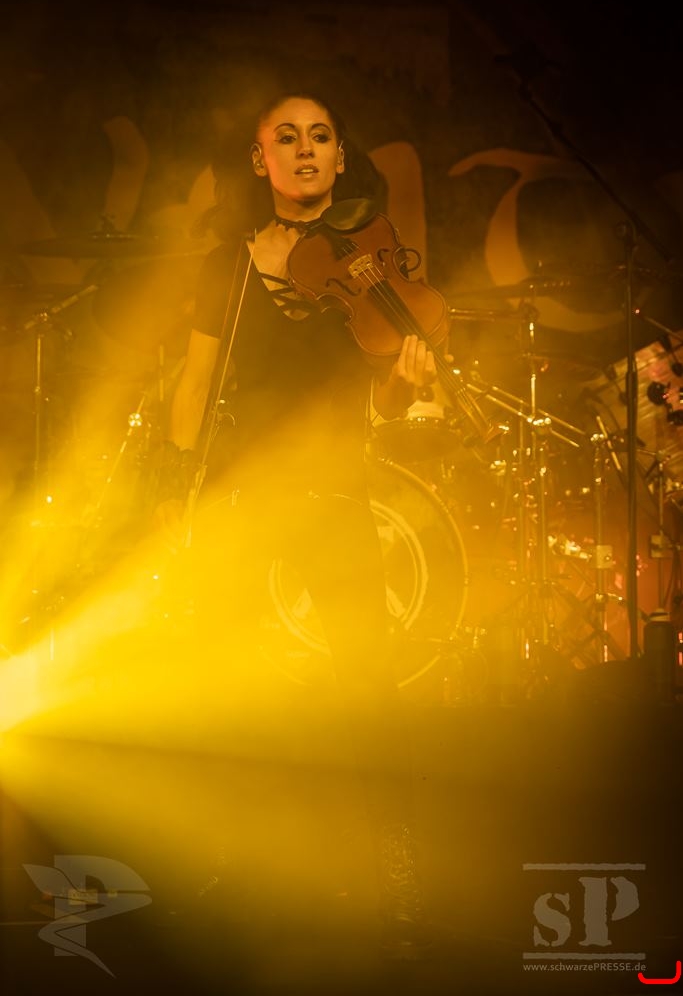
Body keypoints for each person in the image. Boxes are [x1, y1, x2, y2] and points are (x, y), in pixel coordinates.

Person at [153, 90, 439, 959]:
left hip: (334, 485)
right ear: (260, 160)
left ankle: (394, 870)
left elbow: (377, 397)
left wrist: (405, 382)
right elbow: (196, 381)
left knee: (367, 684)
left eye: (320, 136)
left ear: (341, 158)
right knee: (233, 682)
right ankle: (235, 860)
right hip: (243, 487)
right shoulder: (230, 262)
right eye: (287, 137)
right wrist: (173, 486)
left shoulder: (370, 261)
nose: (305, 149)